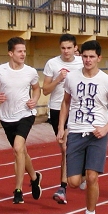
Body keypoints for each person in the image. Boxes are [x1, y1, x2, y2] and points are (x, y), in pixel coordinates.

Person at [58, 40, 108, 214]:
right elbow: (65, 103)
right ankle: (85, 175)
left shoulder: (107, 81)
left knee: (93, 177)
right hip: (76, 132)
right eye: (85, 56)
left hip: (97, 134)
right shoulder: (72, 78)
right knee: (73, 182)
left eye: (91, 57)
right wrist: (61, 127)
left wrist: (106, 128)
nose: (88, 60)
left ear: (99, 58)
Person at [0, 37, 42, 205]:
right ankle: (34, 177)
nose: (23, 54)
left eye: (24, 51)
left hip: (26, 114)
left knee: (17, 149)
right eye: (19, 51)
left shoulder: (30, 71)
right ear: (11, 53)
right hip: (6, 117)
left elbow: (36, 89)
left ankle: (18, 190)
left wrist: (35, 99)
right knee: (21, 152)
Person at [42, 33, 83, 205]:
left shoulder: (82, 63)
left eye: (69, 48)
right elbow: (45, 90)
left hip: (77, 110)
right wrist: (59, 78)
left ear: (75, 48)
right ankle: (76, 175)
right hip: (57, 109)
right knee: (64, 149)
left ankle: (62, 188)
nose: (66, 51)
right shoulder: (52, 64)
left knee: (67, 147)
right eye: (63, 48)